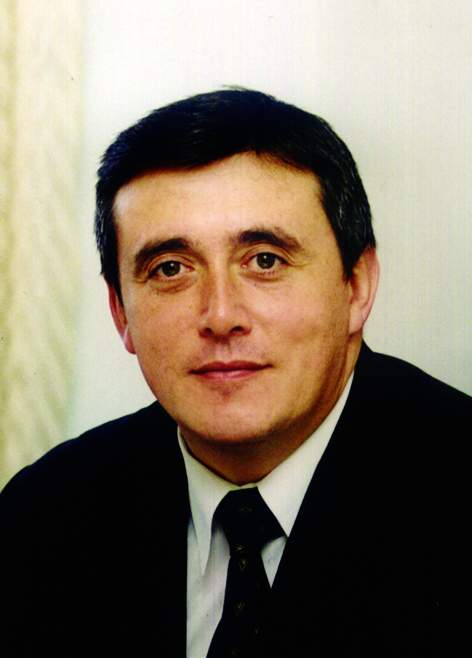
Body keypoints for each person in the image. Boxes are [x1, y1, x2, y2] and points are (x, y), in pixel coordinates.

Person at [1, 89, 466, 658]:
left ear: (357, 286)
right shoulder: (44, 516)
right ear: (120, 313)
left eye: (265, 260)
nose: (220, 316)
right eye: (170, 269)